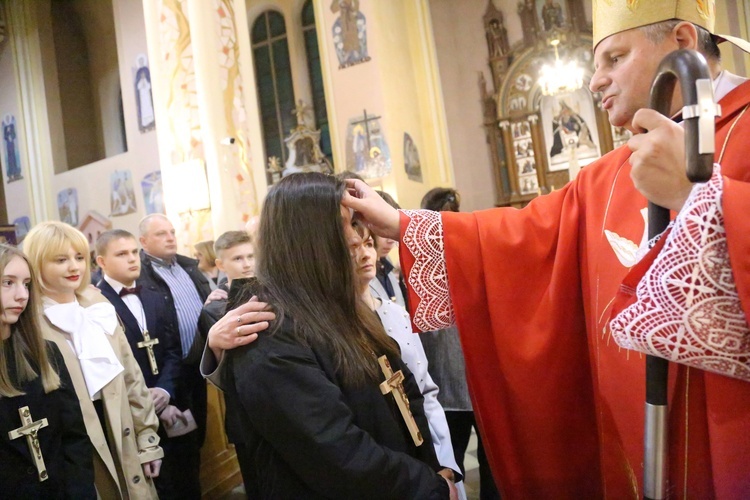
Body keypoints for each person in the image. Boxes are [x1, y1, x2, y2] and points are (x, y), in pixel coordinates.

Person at [342, 3, 750, 496]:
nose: (595, 82)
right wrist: (400, 222)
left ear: (683, 42)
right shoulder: (609, 172)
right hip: (631, 442)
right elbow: (522, 237)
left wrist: (696, 197)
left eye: (614, 59)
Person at [203, 172, 457, 499]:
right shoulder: (271, 328)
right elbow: (336, 451)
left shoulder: (338, 304)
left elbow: (404, 388)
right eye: (344, 225)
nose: (355, 239)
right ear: (307, 236)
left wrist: (432, 467)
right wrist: (426, 486)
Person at [24, 221, 163, 498]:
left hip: (120, 431)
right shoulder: (30, 323)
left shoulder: (97, 305)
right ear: (37, 264)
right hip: (78, 442)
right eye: (61, 260)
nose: (74, 267)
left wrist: (148, 440)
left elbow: (132, 378)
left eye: (79, 257)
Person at [352, 223, 466, 499]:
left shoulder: (397, 315)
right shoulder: (341, 324)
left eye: (368, 244)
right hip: (388, 450)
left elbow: (427, 390)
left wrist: (445, 461)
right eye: (353, 247)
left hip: (424, 435)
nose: (366, 254)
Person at [418, 189, 500, 500]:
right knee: (452, 464)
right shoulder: (425, 265)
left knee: (482, 460)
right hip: (449, 385)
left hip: (469, 382)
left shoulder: (468, 254)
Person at [93, 229, 185, 499]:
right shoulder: (96, 304)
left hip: (169, 398)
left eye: (135, 252)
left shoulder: (155, 295)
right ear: (101, 262)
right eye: (122, 254)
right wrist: (146, 397)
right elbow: (112, 365)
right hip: (131, 411)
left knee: (183, 476)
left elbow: (172, 349)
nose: (133, 259)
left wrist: (165, 392)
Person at [0, 244, 96, 499]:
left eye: (27, 284)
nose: (22, 295)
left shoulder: (46, 353)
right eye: (8, 282)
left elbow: (74, 437)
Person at [137, 213, 213, 499]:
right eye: (161, 234)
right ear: (143, 242)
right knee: (180, 448)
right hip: (172, 373)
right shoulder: (143, 276)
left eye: (171, 231)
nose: (171, 237)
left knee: (198, 438)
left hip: (200, 367)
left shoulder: (187, 266)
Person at [196, 230, 255, 486]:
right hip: (245, 406)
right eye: (238, 258)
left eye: (251, 256)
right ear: (220, 264)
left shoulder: (275, 293)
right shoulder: (215, 308)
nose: (247, 264)